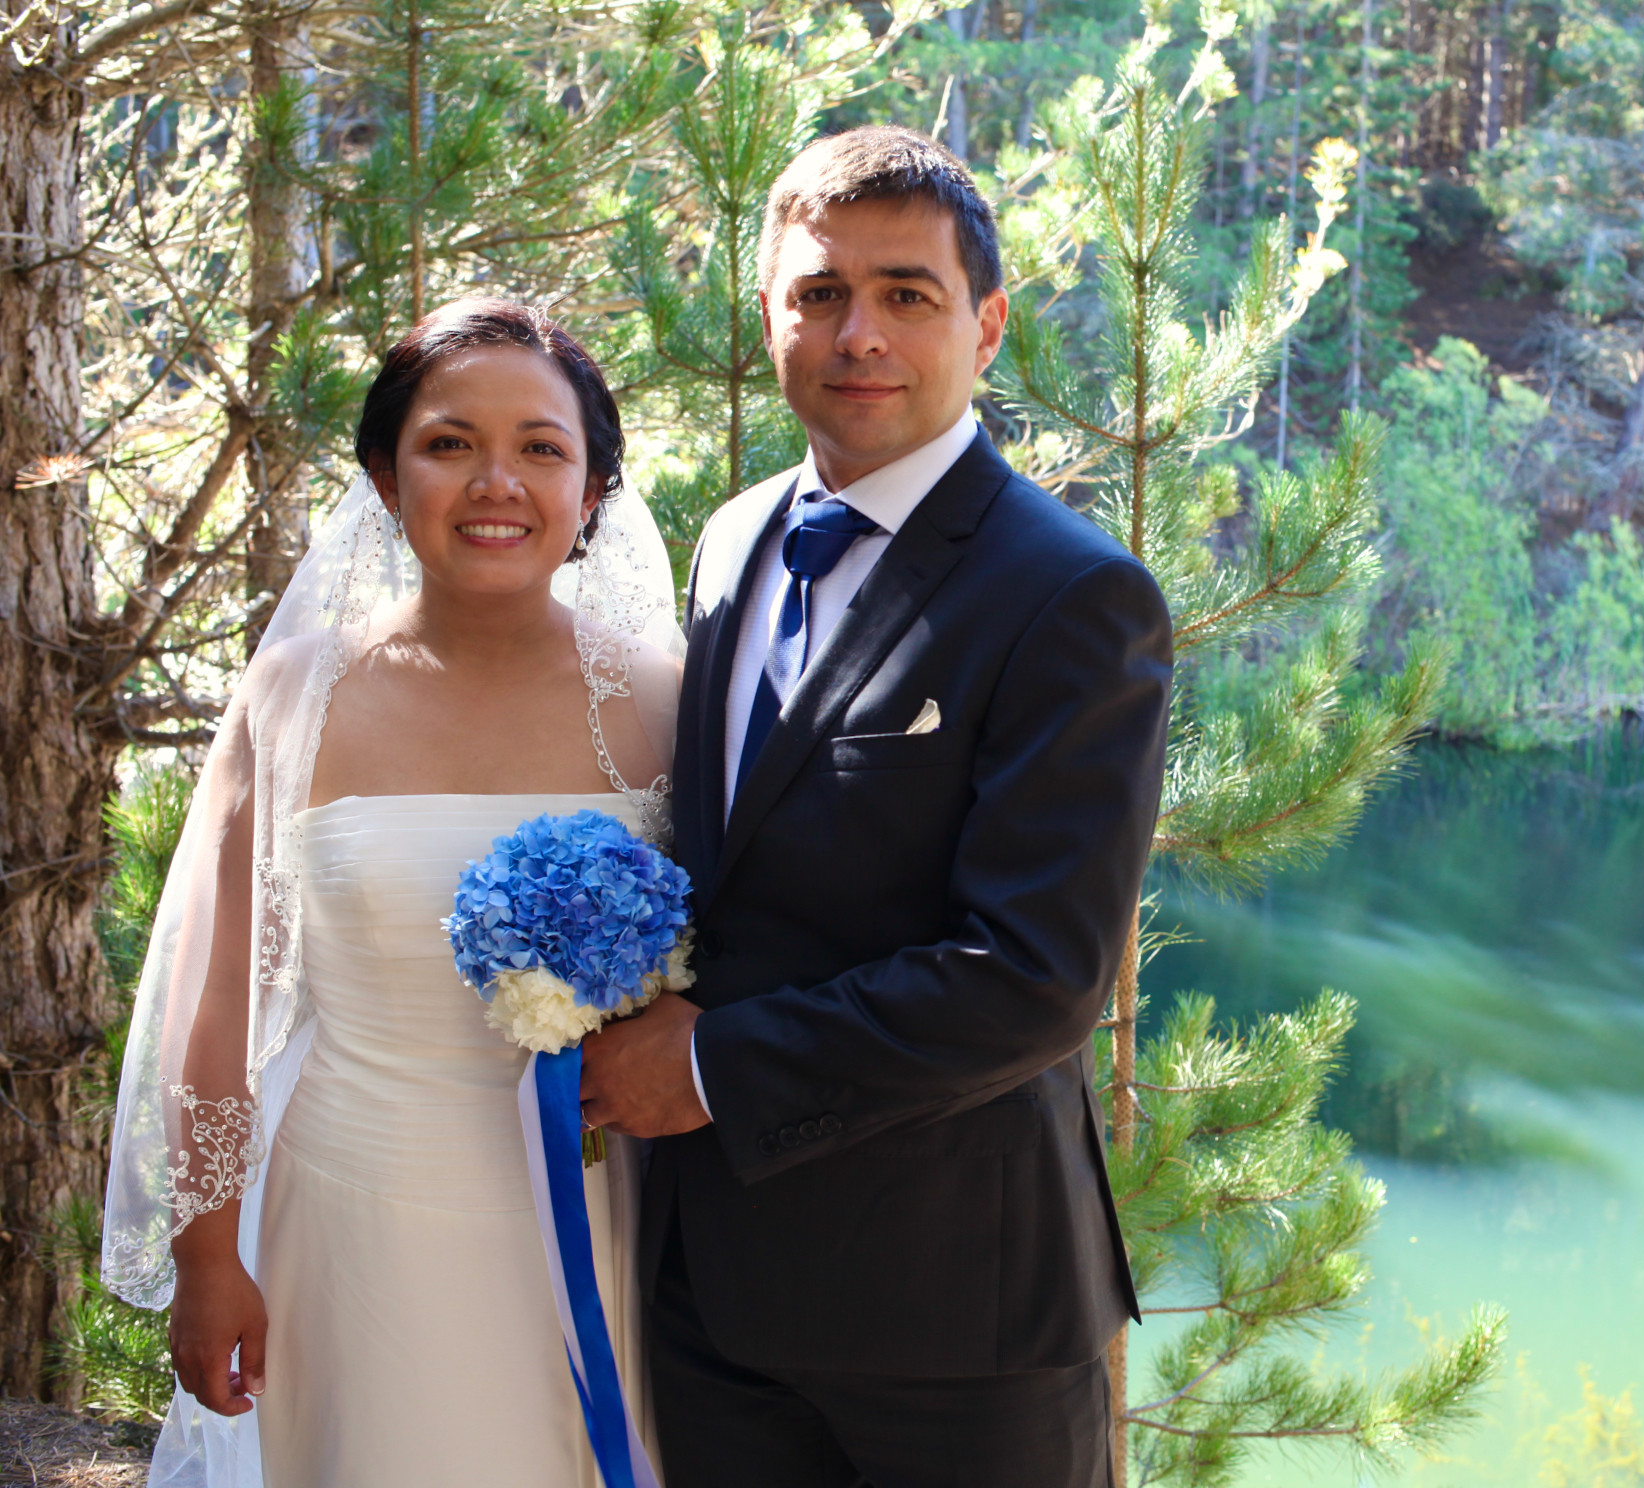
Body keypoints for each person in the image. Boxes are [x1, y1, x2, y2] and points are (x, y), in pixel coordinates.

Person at [579, 126, 1173, 1487]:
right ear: (772, 317)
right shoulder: (733, 539)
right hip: (712, 1299)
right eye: (819, 294)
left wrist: (714, 1063)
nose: (861, 334)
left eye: (908, 294)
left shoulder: (1071, 596)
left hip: (953, 1320)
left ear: (989, 326)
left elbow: (1034, 976)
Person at [100, 299, 681, 1488]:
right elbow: (217, 1001)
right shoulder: (296, 693)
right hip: (357, 1215)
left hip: (598, 1220)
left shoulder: (666, 701)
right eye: (449, 443)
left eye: (540, 447)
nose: (494, 483)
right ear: (383, 475)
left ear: (593, 491)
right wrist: (210, 1253)